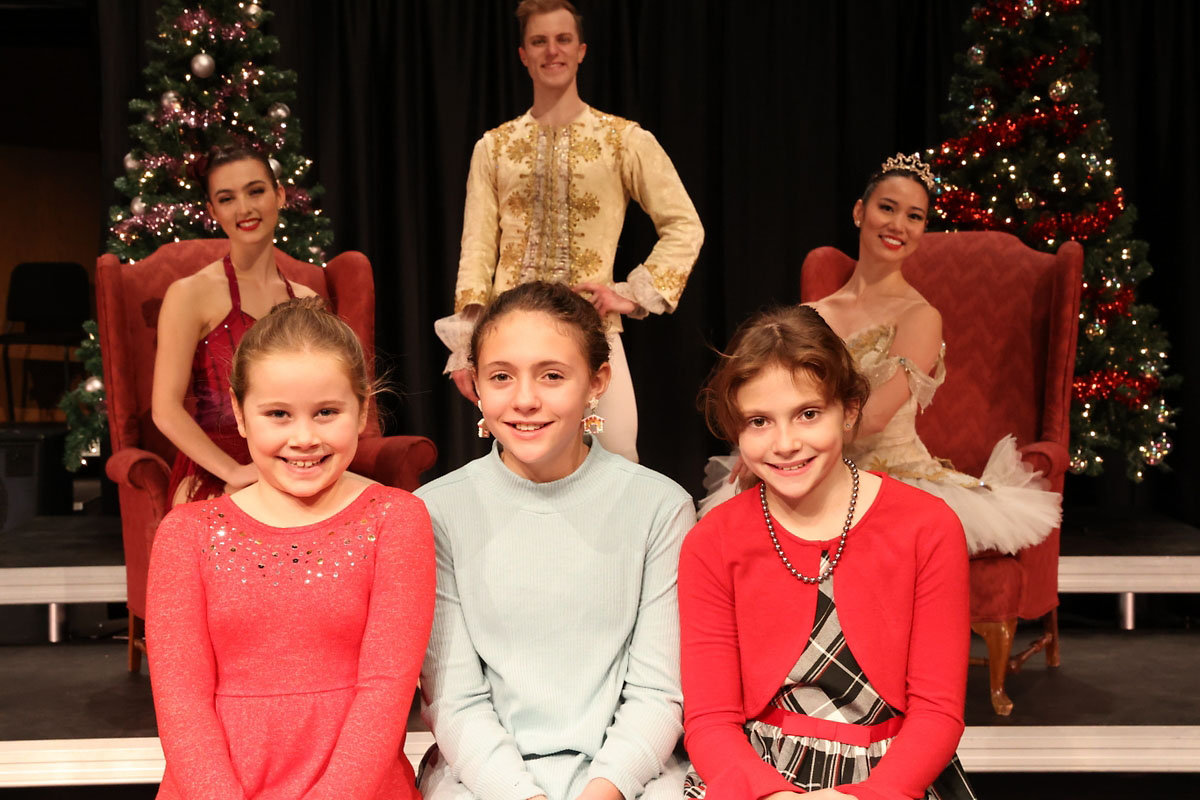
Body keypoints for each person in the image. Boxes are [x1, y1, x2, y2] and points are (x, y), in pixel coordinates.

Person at [680, 305, 977, 799]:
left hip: (893, 777)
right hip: (756, 778)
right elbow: (711, 718)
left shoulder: (928, 528)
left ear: (850, 410)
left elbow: (937, 712)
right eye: (759, 421)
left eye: (808, 414)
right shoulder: (713, 542)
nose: (785, 443)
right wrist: (773, 796)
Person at [700, 153, 1061, 557]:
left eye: (914, 216)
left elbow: (872, 418)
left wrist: (785, 449)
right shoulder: (811, 314)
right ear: (860, 212)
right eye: (887, 208)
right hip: (809, 465)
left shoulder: (920, 316)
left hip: (889, 472)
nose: (898, 225)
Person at [146, 297, 435, 800]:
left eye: (326, 412)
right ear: (240, 414)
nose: (304, 438)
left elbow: (386, 692)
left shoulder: (396, 519)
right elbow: (181, 704)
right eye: (278, 414)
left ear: (362, 409)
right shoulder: (187, 534)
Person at [417, 281, 693, 800]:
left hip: (628, 777)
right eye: (501, 376)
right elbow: (454, 701)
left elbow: (657, 692)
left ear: (596, 381)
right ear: (476, 384)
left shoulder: (659, 507)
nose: (525, 400)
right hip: (484, 780)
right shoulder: (435, 512)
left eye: (552, 375)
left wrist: (603, 790)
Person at [435, 0, 704, 463]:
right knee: (520, 456)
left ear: (581, 50)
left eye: (563, 40)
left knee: (617, 451)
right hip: (510, 330)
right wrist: (465, 345)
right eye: (539, 41)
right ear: (524, 54)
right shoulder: (495, 147)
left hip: (591, 327)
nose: (552, 51)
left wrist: (630, 294)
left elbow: (684, 225)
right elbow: (476, 248)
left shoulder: (621, 140)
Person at [152, 144, 319, 507]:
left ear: (279, 195)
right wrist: (234, 472)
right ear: (213, 211)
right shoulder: (189, 294)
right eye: (227, 199)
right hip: (217, 470)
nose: (244, 209)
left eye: (255, 191)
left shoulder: (308, 300)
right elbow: (165, 408)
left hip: (296, 463)